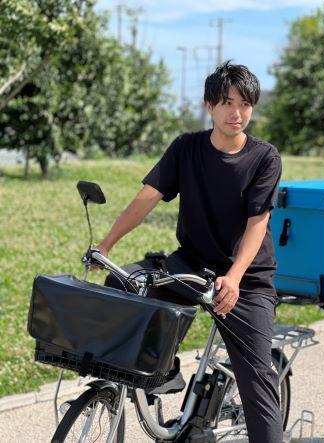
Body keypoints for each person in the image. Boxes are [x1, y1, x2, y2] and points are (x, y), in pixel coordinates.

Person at [97, 61, 284, 443]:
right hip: (191, 266)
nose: (237, 113)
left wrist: (233, 277)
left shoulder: (264, 157)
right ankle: (161, 372)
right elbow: (147, 197)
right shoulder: (187, 147)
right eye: (228, 103)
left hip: (245, 279)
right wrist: (105, 245)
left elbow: (257, 224)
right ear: (208, 105)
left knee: (257, 383)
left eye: (245, 104)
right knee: (122, 282)